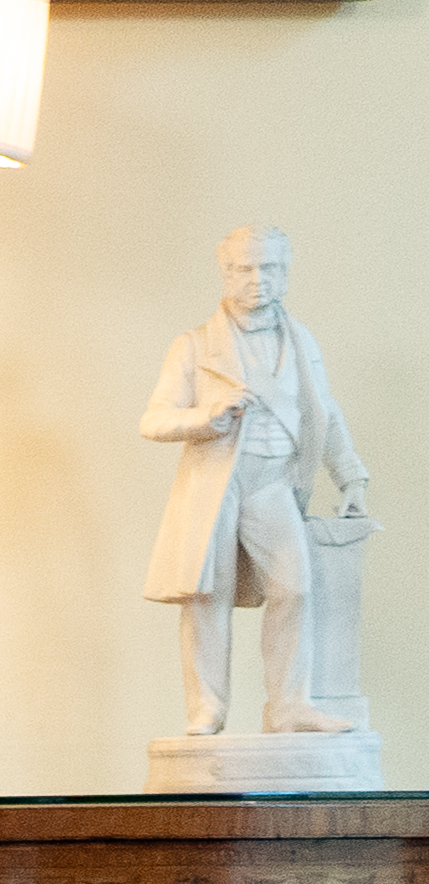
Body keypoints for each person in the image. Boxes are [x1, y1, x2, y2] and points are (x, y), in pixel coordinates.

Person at [140, 230, 373, 741]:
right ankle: (206, 709)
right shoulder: (194, 346)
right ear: (225, 272)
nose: (256, 279)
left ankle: (291, 706)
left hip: (273, 482)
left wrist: (350, 475)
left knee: (295, 587)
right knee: (206, 596)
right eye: (243, 269)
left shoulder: (301, 339)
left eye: (267, 268)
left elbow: (323, 413)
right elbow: (154, 420)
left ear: (284, 273)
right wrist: (208, 416)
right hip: (215, 484)